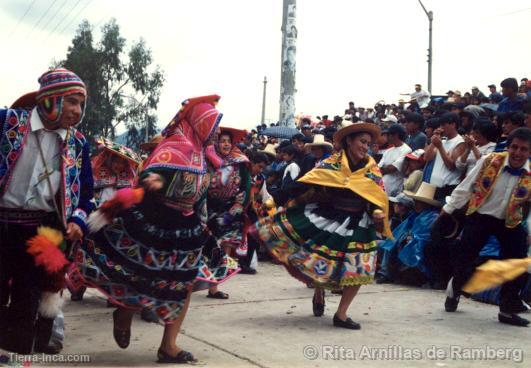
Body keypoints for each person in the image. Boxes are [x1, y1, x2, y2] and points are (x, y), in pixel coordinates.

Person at [70, 95, 224, 363]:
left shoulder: (205, 155)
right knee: (141, 275)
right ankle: (124, 312)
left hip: (186, 226)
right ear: (200, 123)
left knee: (183, 284)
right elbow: (148, 176)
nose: (218, 131)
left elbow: (197, 195)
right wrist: (152, 182)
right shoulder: (176, 146)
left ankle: (169, 345)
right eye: (214, 124)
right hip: (153, 222)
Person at [254, 122, 391, 330]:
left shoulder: (371, 167)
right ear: (349, 141)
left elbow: (376, 195)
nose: (366, 147)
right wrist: (277, 197)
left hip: (359, 222)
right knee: (319, 260)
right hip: (331, 217)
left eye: (368, 143)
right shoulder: (331, 164)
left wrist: (377, 212)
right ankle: (319, 291)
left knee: (361, 266)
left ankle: (341, 314)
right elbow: (305, 184)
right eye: (362, 142)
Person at [0, 68, 94, 354]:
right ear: (51, 99)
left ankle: (14, 352)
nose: (78, 111)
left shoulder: (76, 144)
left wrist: (78, 218)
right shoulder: (8, 123)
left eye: (81, 103)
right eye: (72, 101)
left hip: (39, 228)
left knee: (27, 296)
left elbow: (86, 192)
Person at [443, 128, 531, 327]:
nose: (518, 153)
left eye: (524, 149)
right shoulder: (489, 160)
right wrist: (448, 210)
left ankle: (507, 310)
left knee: (517, 261)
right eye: (514, 147)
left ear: (530, 152)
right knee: (465, 257)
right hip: (481, 215)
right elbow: (467, 185)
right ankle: (455, 288)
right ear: (507, 147)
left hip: (510, 220)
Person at [206, 127, 251, 298]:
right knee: (210, 246)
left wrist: (239, 206)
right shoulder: (208, 160)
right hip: (210, 208)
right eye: (222, 141)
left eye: (228, 141)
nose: (225, 144)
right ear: (216, 143)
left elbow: (246, 186)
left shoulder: (240, 162)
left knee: (224, 247)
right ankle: (204, 280)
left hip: (231, 210)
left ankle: (214, 286)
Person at [423, 112, 466, 201]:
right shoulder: (442, 140)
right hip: (435, 187)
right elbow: (426, 158)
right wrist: (433, 141)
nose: (441, 128)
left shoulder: (460, 142)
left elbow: (451, 166)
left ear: (453, 125)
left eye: (443, 125)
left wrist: (440, 147)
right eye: (440, 125)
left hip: (448, 189)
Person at [378, 124, 412, 197]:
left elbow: (393, 168)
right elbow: (378, 168)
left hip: (393, 187)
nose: (387, 137)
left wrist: (382, 169)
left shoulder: (406, 149)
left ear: (395, 135)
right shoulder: (388, 151)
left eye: (388, 135)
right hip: (380, 184)